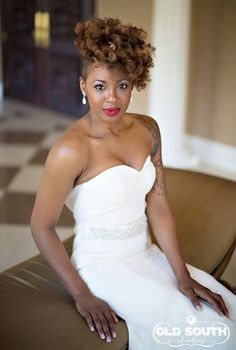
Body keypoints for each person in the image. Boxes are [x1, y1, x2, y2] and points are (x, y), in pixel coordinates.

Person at [31, 17, 236, 349]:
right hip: (102, 267)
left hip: (146, 252)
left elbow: (157, 205)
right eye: (100, 86)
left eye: (122, 85)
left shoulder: (148, 130)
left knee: (225, 312)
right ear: (83, 85)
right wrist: (81, 294)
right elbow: (41, 227)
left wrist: (182, 276)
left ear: (134, 82)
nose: (112, 99)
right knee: (207, 335)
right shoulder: (70, 150)